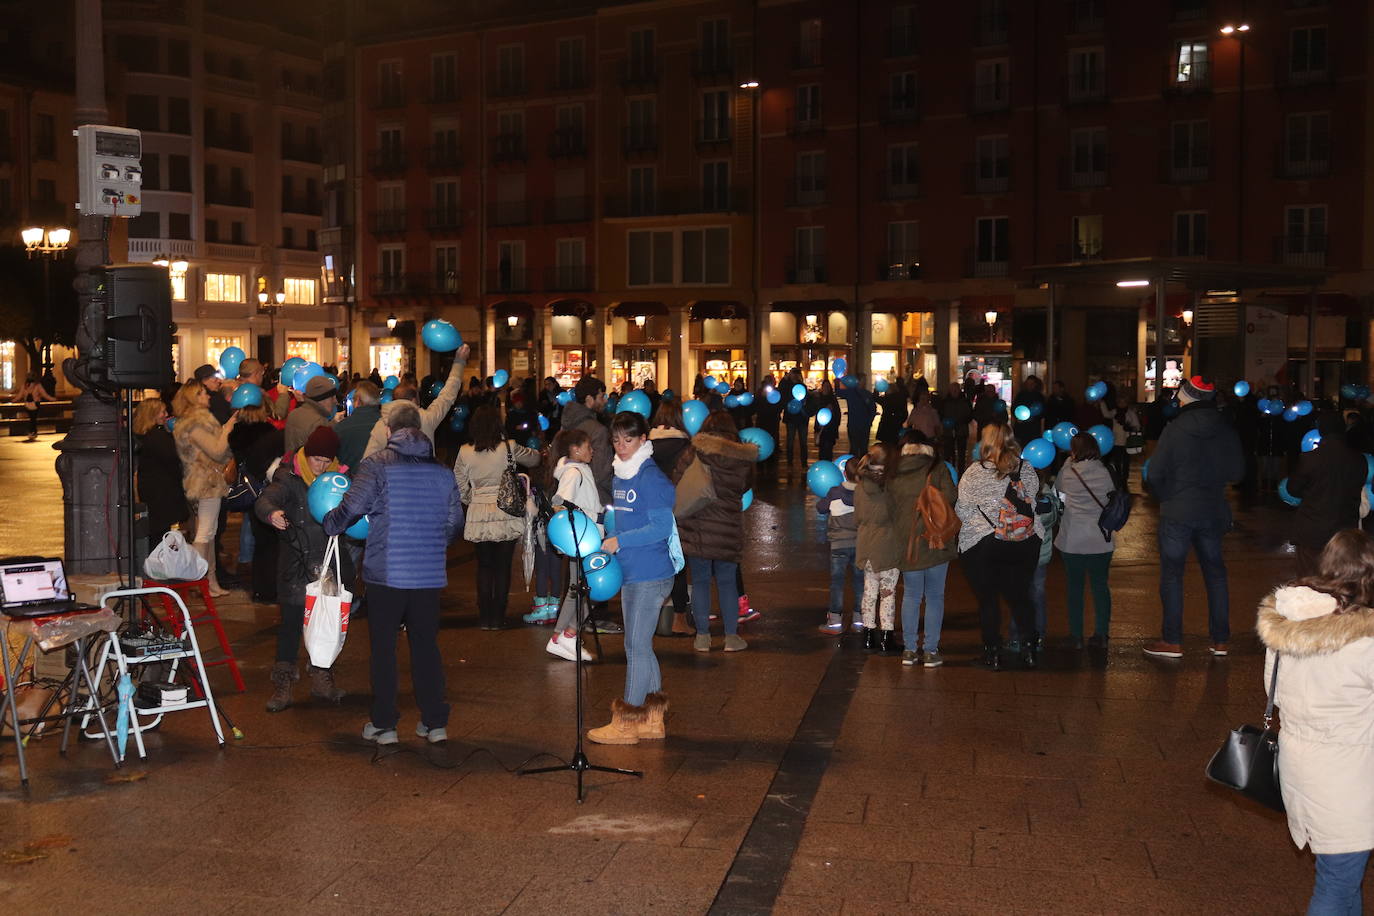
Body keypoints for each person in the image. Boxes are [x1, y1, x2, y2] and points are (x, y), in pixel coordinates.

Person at [323, 402, 464, 746]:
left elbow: (352, 507)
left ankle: (385, 725)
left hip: (387, 572)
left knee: (384, 649)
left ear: (389, 432)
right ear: (421, 430)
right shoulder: (443, 472)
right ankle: (434, 722)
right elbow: (454, 523)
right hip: (428, 575)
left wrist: (330, 524)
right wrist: (432, 545)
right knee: (426, 647)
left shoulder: (377, 466)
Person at [1255, 530, 1374, 914]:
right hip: (1348, 776)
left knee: (1342, 878)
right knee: (1337, 883)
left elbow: (1272, 688)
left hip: (1299, 763)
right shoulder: (1365, 641)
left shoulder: (1288, 623)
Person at [586, 411, 679, 746]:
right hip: (631, 571)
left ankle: (625, 723)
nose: (622, 447)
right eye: (616, 440)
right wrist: (606, 533)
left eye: (629, 439)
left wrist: (619, 541)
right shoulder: (622, 474)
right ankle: (653, 719)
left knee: (636, 646)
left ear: (643, 440)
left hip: (651, 574)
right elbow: (624, 520)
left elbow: (660, 527)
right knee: (639, 645)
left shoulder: (651, 478)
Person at [1143, 375, 1245, 659]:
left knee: (1173, 575)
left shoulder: (1175, 429)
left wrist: (1167, 497)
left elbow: (1155, 474)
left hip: (1178, 511)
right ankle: (1221, 640)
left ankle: (1173, 641)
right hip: (1212, 509)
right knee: (1215, 574)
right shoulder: (1226, 429)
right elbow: (1237, 473)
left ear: (1186, 396)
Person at [255, 427, 354, 712]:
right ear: (306, 455)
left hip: (329, 565)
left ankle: (322, 678)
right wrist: (271, 513)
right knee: (290, 626)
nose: (321, 466)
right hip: (296, 565)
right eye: (317, 459)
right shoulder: (288, 478)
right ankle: (283, 684)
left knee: (326, 626)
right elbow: (265, 500)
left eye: (327, 460)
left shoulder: (341, 481)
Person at [955, 423, 1044, 670]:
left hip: (985, 544)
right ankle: (1029, 650)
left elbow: (962, 509)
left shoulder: (975, 472)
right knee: (1020, 597)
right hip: (1024, 543)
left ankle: (992, 652)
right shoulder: (1027, 470)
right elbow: (1032, 502)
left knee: (988, 600)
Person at [453, 404, 542, 630]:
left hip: (479, 512)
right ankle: (498, 617)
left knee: (484, 566)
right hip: (506, 510)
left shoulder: (464, 451)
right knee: (502, 566)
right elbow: (535, 459)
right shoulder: (508, 447)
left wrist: (472, 500)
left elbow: (459, 484)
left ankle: (484, 617)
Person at [674, 410, 756, 653]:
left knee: (699, 582)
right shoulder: (742, 457)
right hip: (727, 528)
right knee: (727, 583)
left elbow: (678, 479)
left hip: (698, 527)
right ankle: (731, 638)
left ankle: (702, 637)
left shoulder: (695, 451)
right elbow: (746, 486)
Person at [885, 430, 958, 666]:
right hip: (935, 540)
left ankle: (908, 650)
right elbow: (951, 496)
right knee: (935, 596)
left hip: (907, 545)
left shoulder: (894, 470)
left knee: (911, 595)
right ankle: (930, 651)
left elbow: (889, 507)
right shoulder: (936, 467)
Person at [172, 379, 238, 597]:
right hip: (206, 482)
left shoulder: (191, 422)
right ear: (193, 398)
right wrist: (229, 428)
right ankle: (201, 580)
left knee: (208, 532)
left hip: (204, 480)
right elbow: (218, 451)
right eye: (202, 393)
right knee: (205, 533)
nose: (208, 396)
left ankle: (210, 582)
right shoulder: (196, 423)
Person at [540, 428, 601, 658]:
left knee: (582, 589)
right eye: (588, 446)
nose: (592, 451)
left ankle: (565, 635)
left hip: (585, 537)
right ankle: (563, 635)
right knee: (583, 590)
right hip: (583, 539)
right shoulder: (574, 473)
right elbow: (561, 504)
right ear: (575, 449)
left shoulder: (578, 470)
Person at [1288, 411, 1368, 577]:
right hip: (1344, 533)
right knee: (1339, 581)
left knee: (1310, 581)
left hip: (1313, 530)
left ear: (1321, 430)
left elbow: (1292, 489)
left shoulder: (1310, 458)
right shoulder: (1359, 460)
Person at [1056, 432, 1116, 649]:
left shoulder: (1068, 471)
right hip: (1101, 539)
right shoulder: (1105, 471)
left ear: (1075, 451)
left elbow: (1059, 489)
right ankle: (1101, 634)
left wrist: (1066, 463)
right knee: (1100, 586)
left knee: (1075, 588)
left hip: (1074, 540)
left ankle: (1076, 636)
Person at [362, 344, 469, 459]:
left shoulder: (381, 425)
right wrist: (459, 362)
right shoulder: (426, 419)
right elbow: (448, 395)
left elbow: (367, 460)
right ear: (413, 400)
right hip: (425, 475)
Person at [228, 400, 286, 603]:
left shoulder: (235, 434)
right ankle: (271, 589)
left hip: (250, 492)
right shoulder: (269, 433)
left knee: (260, 544)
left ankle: (260, 589)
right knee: (271, 543)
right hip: (267, 491)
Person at [649, 401, 694, 636]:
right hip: (677, 507)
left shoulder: (647, 444)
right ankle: (678, 618)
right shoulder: (686, 446)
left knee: (654, 561)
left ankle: (653, 616)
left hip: (651, 507)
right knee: (678, 562)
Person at [854, 442, 903, 655]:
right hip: (889, 544)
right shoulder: (892, 487)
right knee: (888, 592)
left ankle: (867, 635)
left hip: (866, 544)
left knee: (869, 591)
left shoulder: (860, 485)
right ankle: (886, 637)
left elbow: (857, 518)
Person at [816, 458, 864, 635]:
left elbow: (820, 508)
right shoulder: (865, 494)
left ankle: (835, 621)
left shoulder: (834, 492)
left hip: (838, 546)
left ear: (844, 473)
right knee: (860, 582)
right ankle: (859, 619)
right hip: (859, 544)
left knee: (837, 582)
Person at [133, 396, 188, 542]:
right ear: (151, 415)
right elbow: (174, 457)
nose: (166, 415)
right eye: (162, 412)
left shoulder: (141, 436)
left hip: (150, 488)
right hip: (162, 490)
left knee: (155, 530)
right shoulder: (157, 437)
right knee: (160, 531)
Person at [560, 375, 613, 505]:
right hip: (595, 499)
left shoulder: (566, 423)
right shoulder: (598, 431)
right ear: (589, 399)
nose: (605, 401)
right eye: (601, 397)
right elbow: (602, 474)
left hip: (569, 494)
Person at [284, 375, 337, 456]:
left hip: (292, 466)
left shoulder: (293, 414)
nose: (335, 401)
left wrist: (333, 422)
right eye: (332, 397)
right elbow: (322, 457)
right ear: (322, 399)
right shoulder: (319, 421)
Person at [335, 381, 382, 473]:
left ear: (358, 401)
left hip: (350, 480)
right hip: (380, 480)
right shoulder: (387, 425)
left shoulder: (341, 427)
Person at [1102, 393, 1141, 485]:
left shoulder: (1130, 413)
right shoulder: (1115, 412)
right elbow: (1106, 414)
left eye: (1124, 402)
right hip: (1116, 441)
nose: (1122, 404)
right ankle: (1119, 476)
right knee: (1117, 461)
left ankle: (1125, 478)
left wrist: (1130, 427)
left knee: (1126, 461)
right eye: (1120, 402)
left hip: (1127, 441)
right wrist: (1102, 403)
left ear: (1127, 403)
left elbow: (1137, 426)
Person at [837, 374, 877, 455]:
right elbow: (873, 409)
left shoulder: (851, 392)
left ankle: (854, 464)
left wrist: (837, 381)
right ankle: (860, 464)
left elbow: (838, 392)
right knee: (861, 448)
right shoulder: (863, 393)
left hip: (856, 424)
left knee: (856, 448)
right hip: (861, 425)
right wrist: (870, 421)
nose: (865, 382)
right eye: (864, 380)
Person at [13, 374, 56, 441]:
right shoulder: (37, 385)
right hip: (36, 404)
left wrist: (13, 400)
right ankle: (33, 432)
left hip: (27, 404)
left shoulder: (24, 386)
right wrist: (52, 399)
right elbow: (44, 395)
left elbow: (19, 395)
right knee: (34, 419)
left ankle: (31, 432)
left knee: (31, 418)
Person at [939, 383, 973, 469]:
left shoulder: (965, 401)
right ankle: (948, 470)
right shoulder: (944, 402)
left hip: (962, 430)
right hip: (948, 431)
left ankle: (961, 471)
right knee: (948, 452)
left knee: (961, 453)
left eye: (956, 389)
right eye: (952, 389)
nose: (954, 391)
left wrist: (962, 421)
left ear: (959, 390)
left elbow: (970, 415)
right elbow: (940, 415)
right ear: (949, 390)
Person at [1011, 376, 1046, 446]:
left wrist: (1034, 418)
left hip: (1033, 429)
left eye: (1032, 383)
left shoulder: (1039, 396)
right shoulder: (1020, 395)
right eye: (1028, 383)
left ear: (1035, 384)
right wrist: (1017, 417)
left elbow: (1043, 412)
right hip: (1021, 428)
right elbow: (1014, 408)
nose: (1029, 385)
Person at [815, 379, 841, 461]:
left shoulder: (832, 399)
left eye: (827, 386)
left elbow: (838, 414)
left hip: (830, 429)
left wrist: (835, 425)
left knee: (828, 451)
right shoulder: (819, 398)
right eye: (824, 386)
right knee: (821, 450)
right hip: (820, 429)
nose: (826, 388)